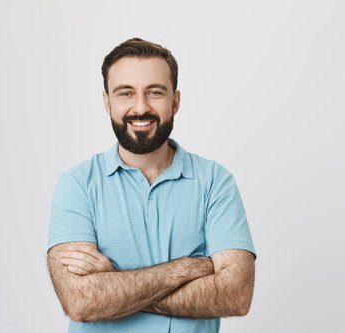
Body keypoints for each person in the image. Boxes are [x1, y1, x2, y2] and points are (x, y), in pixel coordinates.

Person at [47, 37, 256, 333]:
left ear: (175, 100)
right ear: (107, 102)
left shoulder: (215, 182)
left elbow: (235, 295)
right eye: (125, 93)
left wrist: (114, 281)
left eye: (155, 92)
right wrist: (189, 267)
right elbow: (80, 300)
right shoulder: (78, 184)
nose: (140, 107)